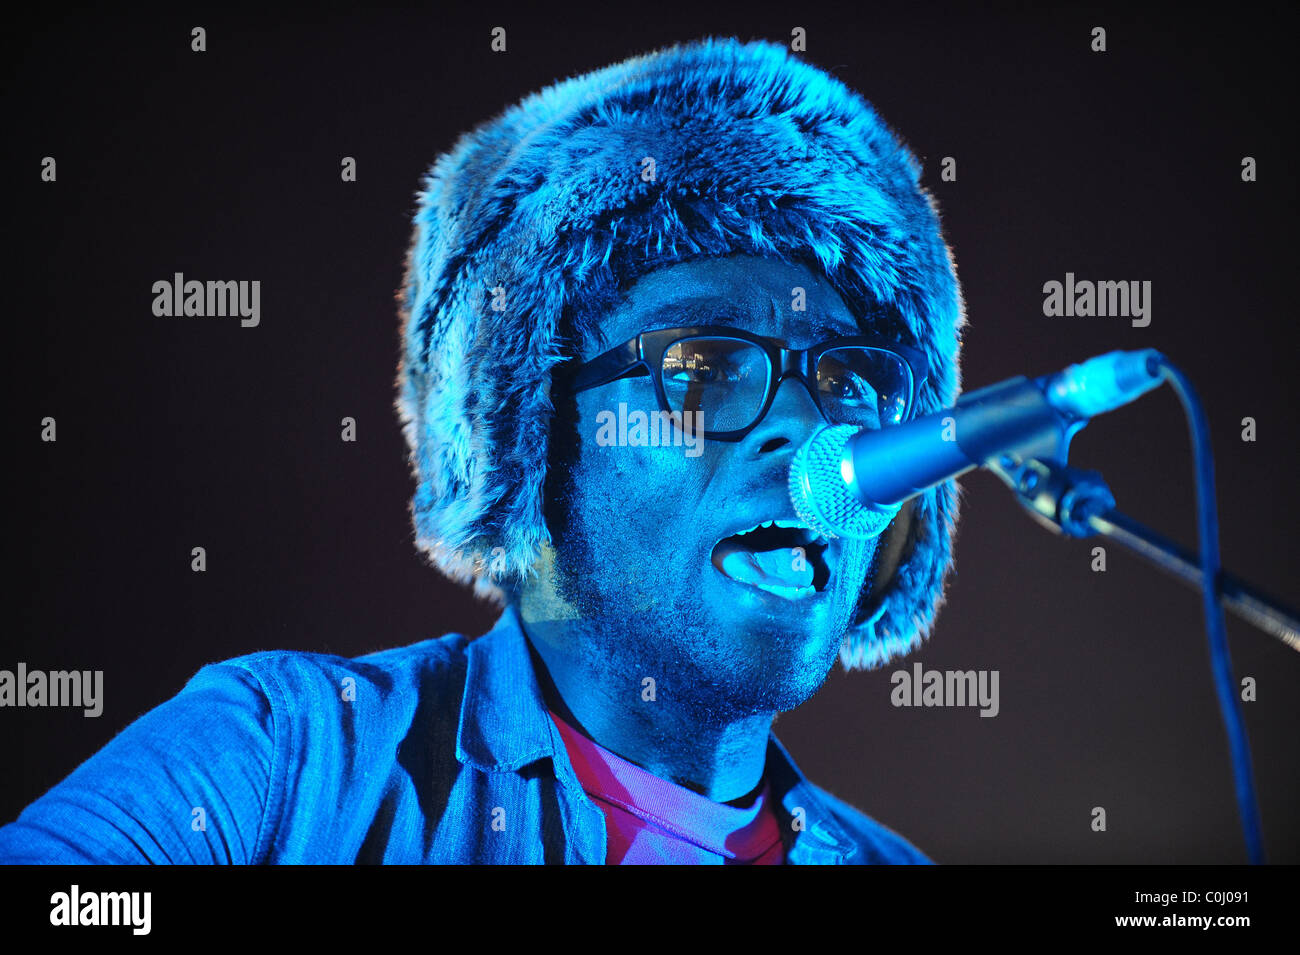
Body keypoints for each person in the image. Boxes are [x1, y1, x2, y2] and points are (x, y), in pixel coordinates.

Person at [0, 36, 964, 864]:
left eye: (848, 383)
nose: (811, 431)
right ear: (522, 434)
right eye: (706, 364)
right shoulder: (286, 758)